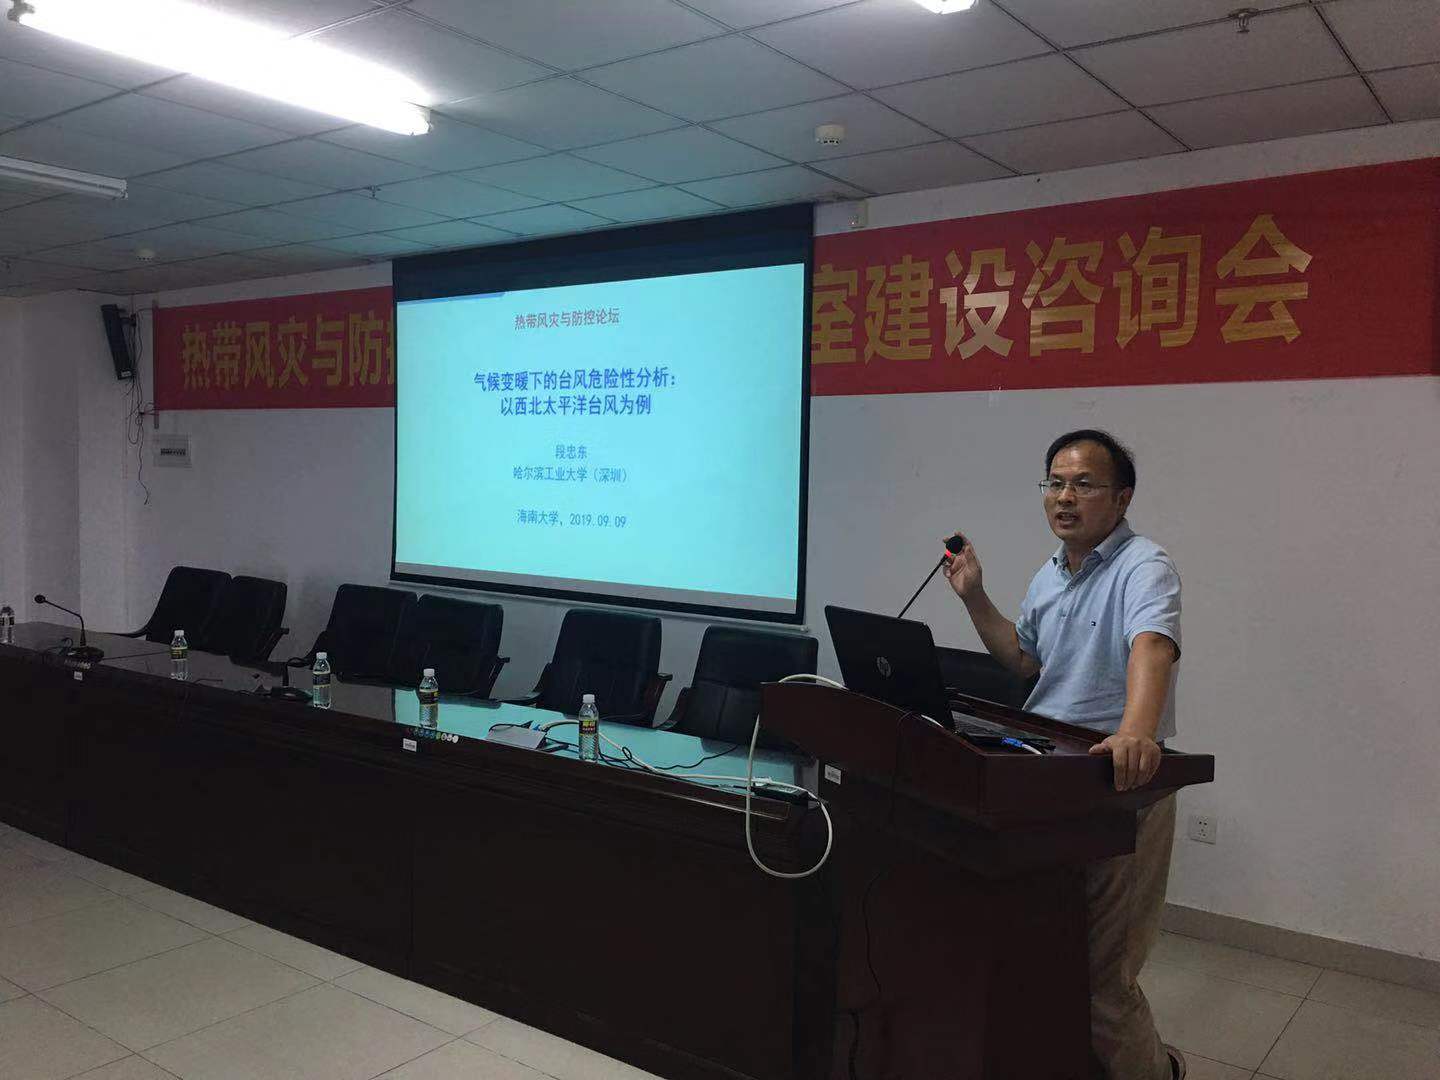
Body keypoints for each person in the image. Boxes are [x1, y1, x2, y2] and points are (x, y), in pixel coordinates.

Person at [943, 429, 1185, 1080]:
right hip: (1048, 780)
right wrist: (973, 596)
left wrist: (1135, 731)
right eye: (1054, 482)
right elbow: (1024, 660)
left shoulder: (1144, 565)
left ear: (1122, 498)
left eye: (1083, 484)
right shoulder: (1049, 576)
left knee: (1104, 982)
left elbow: (1152, 645)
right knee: (1047, 959)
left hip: (1117, 783)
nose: (1064, 497)